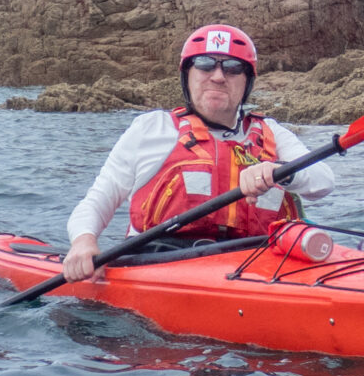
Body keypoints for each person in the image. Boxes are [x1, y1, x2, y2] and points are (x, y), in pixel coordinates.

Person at [62, 24, 334, 282]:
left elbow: (323, 182)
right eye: (205, 64)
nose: (218, 76)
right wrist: (84, 242)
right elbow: (99, 198)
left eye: (232, 68)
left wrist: (279, 172)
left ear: (247, 81)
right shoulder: (152, 128)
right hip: (162, 263)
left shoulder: (272, 133)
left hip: (259, 267)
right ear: (187, 75)